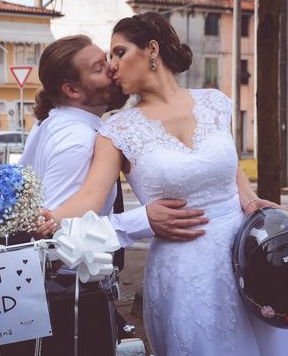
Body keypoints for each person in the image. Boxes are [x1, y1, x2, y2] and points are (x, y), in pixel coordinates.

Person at [39, 13, 288, 356]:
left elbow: (232, 174)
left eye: (119, 53)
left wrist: (252, 201)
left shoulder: (216, 103)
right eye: (107, 58)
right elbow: (89, 198)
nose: (112, 66)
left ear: (153, 51)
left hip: (244, 263)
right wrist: (47, 219)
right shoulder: (117, 130)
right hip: (184, 276)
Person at [20, 34, 210, 249]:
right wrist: (143, 221)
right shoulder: (80, 140)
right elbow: (55, 236)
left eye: (107, 59)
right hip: (70, 280)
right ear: (72, 90)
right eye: (99, 68)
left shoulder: (50, 121)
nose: (113, 68)